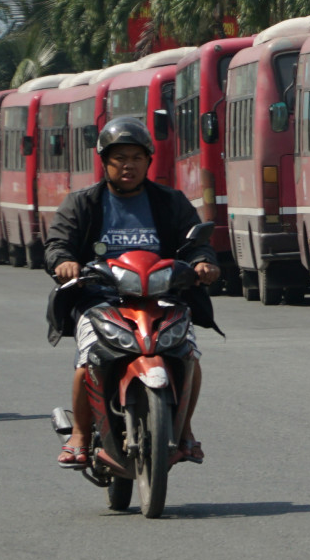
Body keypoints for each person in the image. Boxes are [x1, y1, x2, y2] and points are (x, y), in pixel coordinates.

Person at [45, 117, 220, 471]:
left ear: (148, 161)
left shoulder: (170, 202)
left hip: (162, 296)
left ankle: (184, 430)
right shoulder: (82, 203)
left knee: (189, 356)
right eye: (120, 157)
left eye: (136, 157)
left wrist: (202, 262)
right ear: (105, 162)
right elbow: (57, 244)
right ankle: (79, 435)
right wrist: (64, 262)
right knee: (88, 361)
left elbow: (196, 244)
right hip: (100, 298)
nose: (128, 165)